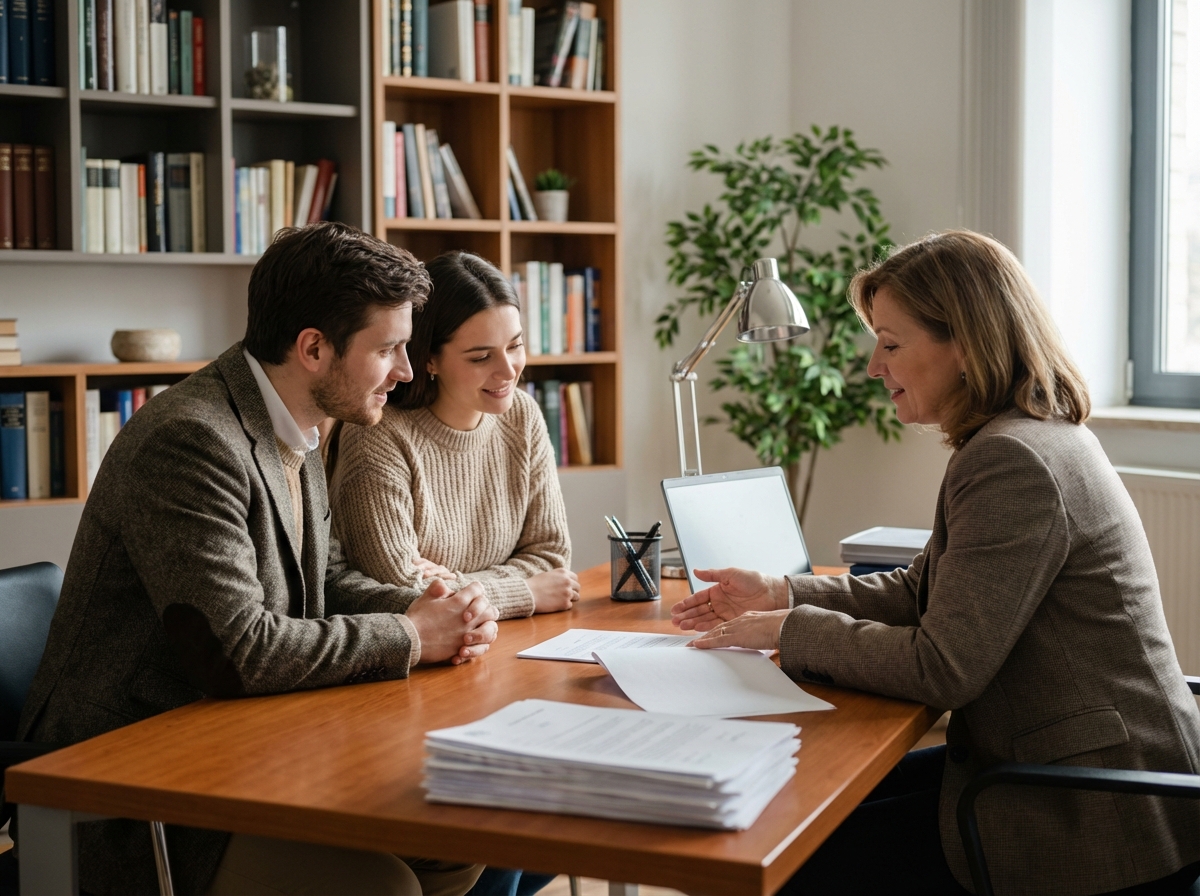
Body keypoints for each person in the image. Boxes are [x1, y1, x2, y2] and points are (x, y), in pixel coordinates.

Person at [671, 231, 1200, 896]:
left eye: (890, 343)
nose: (872, 366)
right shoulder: (1026, 434)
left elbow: (944, 667)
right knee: (803, 813)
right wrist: (779, 592)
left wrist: (784, 630)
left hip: (1091, 811)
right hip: (1076, 766)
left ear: (965, 347)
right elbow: (926, 590)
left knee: (787, 859)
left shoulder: (1013, 458)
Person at [12, 223, 499, 896]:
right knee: (385, 886)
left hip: (248, 746)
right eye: (389, 348)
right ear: (313, 349)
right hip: (134, 787)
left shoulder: (297, 422)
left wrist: (430, 609)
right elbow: (240, 649)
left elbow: (320, 581)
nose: (407, 371)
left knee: (455, 848)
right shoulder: (191, 441)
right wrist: (415, 635)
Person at [327, 251, 575, 896]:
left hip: (498, 664)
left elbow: (552, 556)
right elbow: (406, 585)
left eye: (515, 347)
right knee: (512, 811)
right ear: (428, 358)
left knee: (564, 810)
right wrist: (520, 589)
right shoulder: (381, 437)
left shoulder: (521, 416)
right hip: (414, 688)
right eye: (481, 356)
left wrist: (486, 585)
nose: (508, 371)